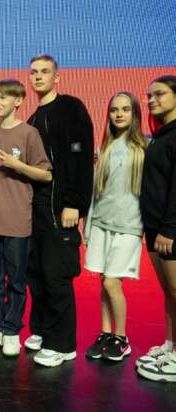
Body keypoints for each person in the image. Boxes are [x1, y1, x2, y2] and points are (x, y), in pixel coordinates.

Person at [25, 54, 94, 367]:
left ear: (57, 77)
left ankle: (62, 345)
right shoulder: (32, 120)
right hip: (37, 210)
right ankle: (42, 331)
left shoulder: (71, 108)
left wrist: (74, 203)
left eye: (44, 71)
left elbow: (81, 157)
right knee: (37, 274)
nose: (38, 76)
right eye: (34, 72)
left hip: (61, 208)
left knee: (57, 276)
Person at [0, 79, 52, 356]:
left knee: (17, 281)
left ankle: (11, 330)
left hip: (17, 220)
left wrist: (18, 165)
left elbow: (46, 174)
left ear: (18, 101)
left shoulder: (29, 133)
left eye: (3, 98)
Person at [83, 92, 145, 362]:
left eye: (125, 109)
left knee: (112, 282)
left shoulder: (144, 150)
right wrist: (88, 227)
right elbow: (96, 193)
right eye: (114, 110)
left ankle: (121, 338)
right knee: (103, 282)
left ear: (135, 114)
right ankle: (106, 333)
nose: (119, 114)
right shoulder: (105, 148)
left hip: (128, 227)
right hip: (100, 224)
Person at [136, 75, 176, 383]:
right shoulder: (161, 135)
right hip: (154, 226)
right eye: (149, 95)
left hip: (169, 230)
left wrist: (170, 229)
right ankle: (171, 346)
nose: (151, 100)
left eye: (159, 94)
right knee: (169, 292)